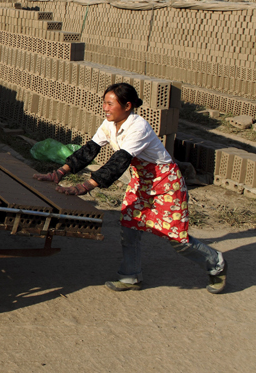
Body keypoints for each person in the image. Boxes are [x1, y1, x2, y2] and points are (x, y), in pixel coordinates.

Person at [34, 82, 227, 293]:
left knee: (177, 239)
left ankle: (216, 263)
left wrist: (84, 187)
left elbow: (119, 161)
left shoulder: (139, 127)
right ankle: (130, 275)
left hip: (165, 185)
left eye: (110, 103)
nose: (105, 108)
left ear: (127, 106)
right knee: (130, 229)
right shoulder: (108, 124)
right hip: (141, 182)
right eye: (104, 103)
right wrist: (59, 173)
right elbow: (89, 150)